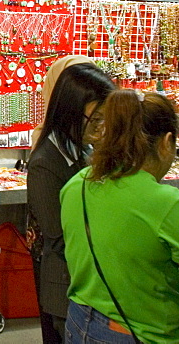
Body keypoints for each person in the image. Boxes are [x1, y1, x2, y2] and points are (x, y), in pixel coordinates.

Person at [60, 89, 179, 343]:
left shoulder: (77, 185)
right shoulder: (167, 203)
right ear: (166, 143)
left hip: (80, 323)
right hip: (141, 334)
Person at [26, 57, 115, 343]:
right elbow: (58, 235)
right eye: (96, 118)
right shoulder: (45, 163)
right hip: (67, 287)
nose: (102, 127)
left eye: (106, 119)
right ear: (71, 111)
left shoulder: (84, 149)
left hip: (88, 285)